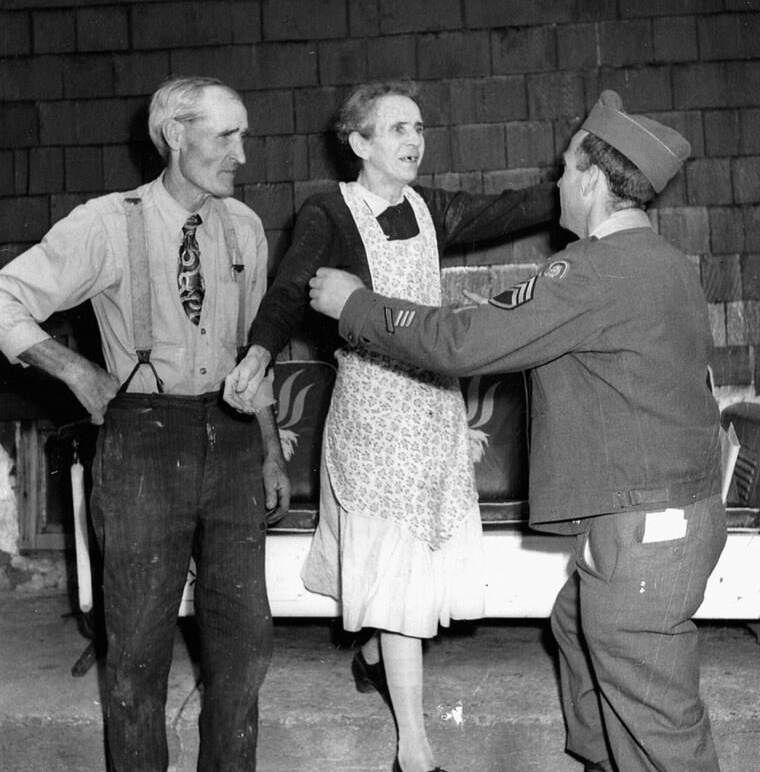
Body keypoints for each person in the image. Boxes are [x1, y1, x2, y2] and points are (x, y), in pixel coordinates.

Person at [308, 90, 727, 772]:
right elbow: (577, 334)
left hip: (647, 533)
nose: (556, 181)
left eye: (565, 169)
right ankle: (602, 760)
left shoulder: (590, 271)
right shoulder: (662, 263)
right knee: (575, 623)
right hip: (676, 516)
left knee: (660, 720)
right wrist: (507, 317)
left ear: (592, 178)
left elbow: (463, 343)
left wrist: (356, 303)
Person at [224, 79, 557, 772]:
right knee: (400, 570)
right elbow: (289, 287)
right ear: (360, 143)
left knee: (414, 567)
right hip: (374, 411)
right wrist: (259, 352)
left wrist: (579, 184)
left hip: (433, 403)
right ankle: (416, 747)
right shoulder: (328, 212)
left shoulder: (428, 207)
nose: (415, 141)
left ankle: (375, 652)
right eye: (398, 129)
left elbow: (504, 210)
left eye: (419, 128)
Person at [0, 76, 290, 771]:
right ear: (176, 135)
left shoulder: (244, 229)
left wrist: (272, 447)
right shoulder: (107, 222)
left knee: (244, 648)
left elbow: (256, 350)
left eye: (243, 135)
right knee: (134, 654)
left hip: (232, 439)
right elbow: (4, 297)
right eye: (226, 136)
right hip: (142, 442)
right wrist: (74, 371)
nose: (242, 154)